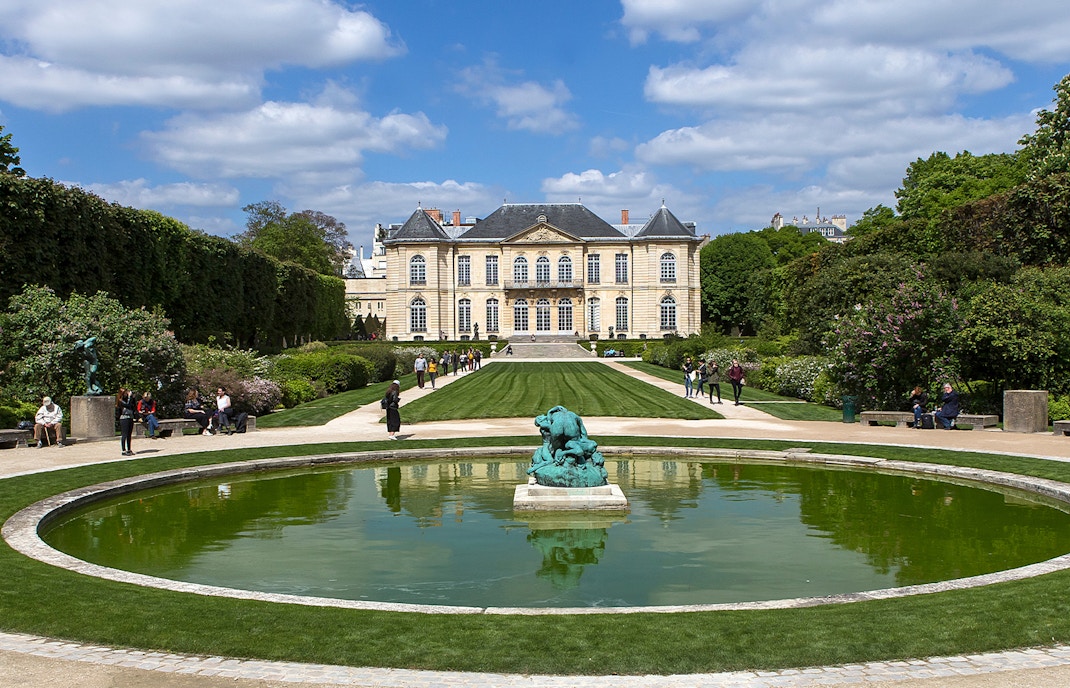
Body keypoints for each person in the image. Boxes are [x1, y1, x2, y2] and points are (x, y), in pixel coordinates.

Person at [116, 388, 137, 455]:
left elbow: (133, 406)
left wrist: (133, 398)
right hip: (124, 418)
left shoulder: (128, 399)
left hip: (130, 417)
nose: (126, 394)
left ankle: (129, 449)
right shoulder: (120, 401)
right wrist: (130, 398)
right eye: (125, 393)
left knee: (129, 435)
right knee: (124, 435)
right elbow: (128, 406)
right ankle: (123, 450)